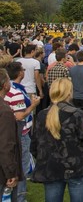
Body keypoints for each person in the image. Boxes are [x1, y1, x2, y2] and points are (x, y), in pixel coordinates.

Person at [31, 78, 83, 202]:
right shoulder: (74, 115)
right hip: (74, 167)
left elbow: (35, 145)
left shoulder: (43, 115)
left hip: (56, 167)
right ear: (69, 93)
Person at [5, 62, 40, 202]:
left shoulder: (15, 88)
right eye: (23, 69)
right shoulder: (16, 91)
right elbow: (19, 115)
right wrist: (33, 106)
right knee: (22, 167)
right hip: (21, 133)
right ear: (20, 73)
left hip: (15, 132)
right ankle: (20, 197)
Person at [0, 67, 22, 202]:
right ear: (5, 85)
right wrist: (10, 172)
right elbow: (6, 143)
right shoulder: (5, 111)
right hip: (2, 171)